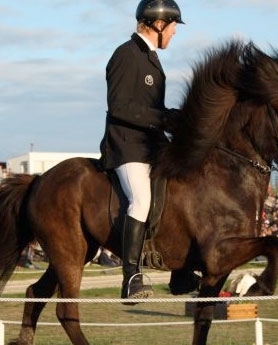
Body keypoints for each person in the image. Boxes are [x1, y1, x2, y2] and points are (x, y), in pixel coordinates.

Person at [99, 0, 184, 302]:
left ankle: (181, 268)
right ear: (158, 24)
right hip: (126, 146)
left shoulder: (151, 59)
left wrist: (172, 117)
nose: (174, 33)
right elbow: (119, 107)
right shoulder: (125, 55)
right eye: (173, 27)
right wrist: (162, 118)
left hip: (150, 145)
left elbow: (152, 110)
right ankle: (131, 276)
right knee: (141, 199)